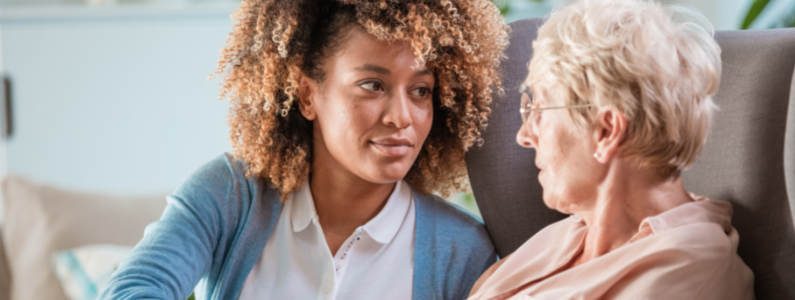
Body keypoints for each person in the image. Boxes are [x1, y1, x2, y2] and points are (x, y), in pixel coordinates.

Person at [99, 0, 508, 299]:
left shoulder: (462, 249)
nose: (402, 116)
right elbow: (134, 290)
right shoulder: (231, 195)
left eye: (421, 91)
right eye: (373, 85)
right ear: (308, 96)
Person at [467, 0, 755, 299]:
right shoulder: (567, 235)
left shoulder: (687, 273)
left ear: (606, 131)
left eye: (540, 111)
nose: (525, 136)